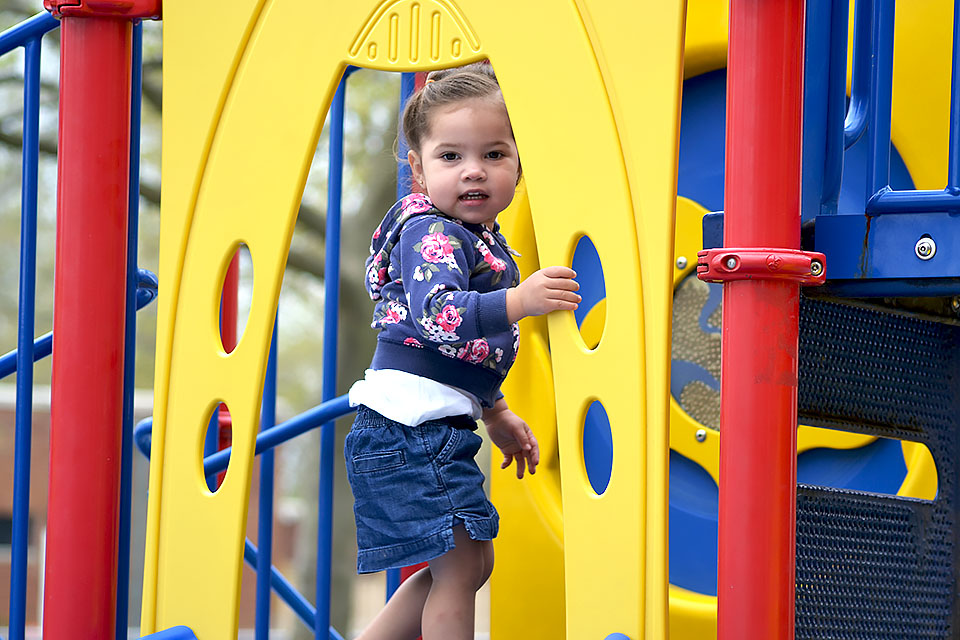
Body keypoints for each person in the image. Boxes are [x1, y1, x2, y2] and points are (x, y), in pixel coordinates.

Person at [345, 63, 580, 640]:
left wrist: (496, 413)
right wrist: (519, 301)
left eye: (494, 154)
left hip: (422, 425)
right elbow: (440, 317)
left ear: (518, 166)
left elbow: (460, 356)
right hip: (409, 430)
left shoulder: (476, 238)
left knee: (470, 562)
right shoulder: (433, 233)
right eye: (451, 156)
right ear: (418, 169)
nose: (473, 170)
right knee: (461, 564)